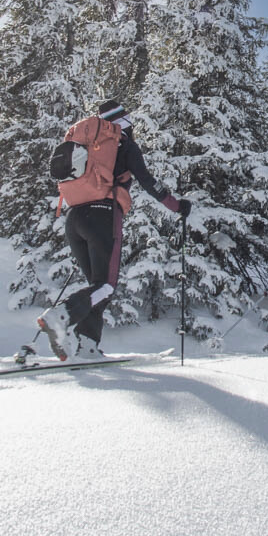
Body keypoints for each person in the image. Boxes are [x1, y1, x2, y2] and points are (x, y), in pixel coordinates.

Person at [39, 100, 191, 359]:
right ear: (125, 121)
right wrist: (177, 206)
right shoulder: (125, 144)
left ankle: (87, 346)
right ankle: (61, 315)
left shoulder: (89, 145)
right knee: (105, 287)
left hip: (74, 218)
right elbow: (148, 182)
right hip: (103, 216)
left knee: (97, 288)